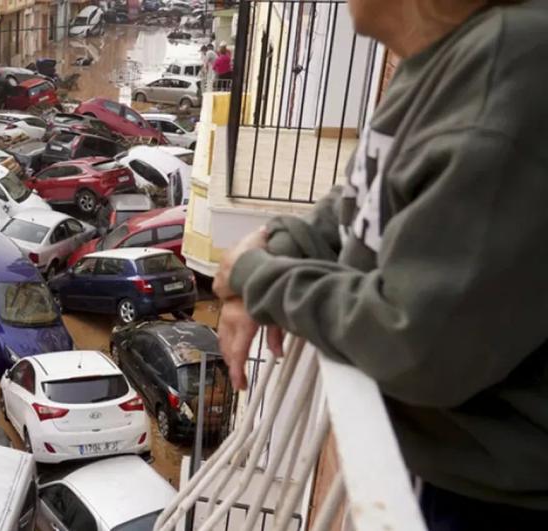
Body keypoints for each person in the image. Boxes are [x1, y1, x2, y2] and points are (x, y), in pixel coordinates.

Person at [211, 0, 548, 529]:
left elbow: (416, 344)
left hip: (497, 502)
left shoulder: (509, 70)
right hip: (452, 472)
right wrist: (279, 245)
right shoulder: (441, 59)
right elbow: (361, 199)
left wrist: (257, 278)